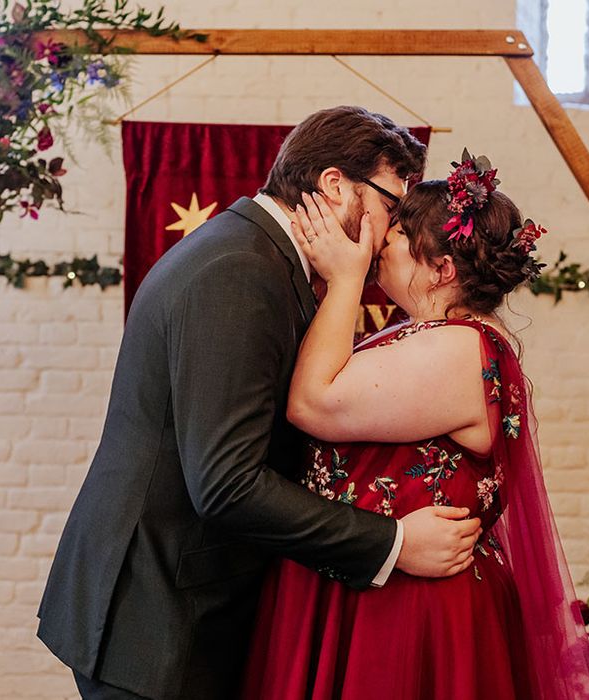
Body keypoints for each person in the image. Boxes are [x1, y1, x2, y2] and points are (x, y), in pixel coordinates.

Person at [36, 107, 483, 700]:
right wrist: (394, 543)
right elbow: (226, 482)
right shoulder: (240, 272)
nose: (392, 232)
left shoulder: (259, 256)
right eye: (390, 208)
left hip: (181, 599)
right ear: (334, 186)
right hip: (158, 619)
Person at [241, 151, 589, 699]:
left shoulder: (460, 348)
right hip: (372, 583)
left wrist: (345, 280)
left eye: (400, 231)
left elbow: (312, 404)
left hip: (407, 609)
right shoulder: (436, 336)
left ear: (442, 269)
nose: (380, 239)